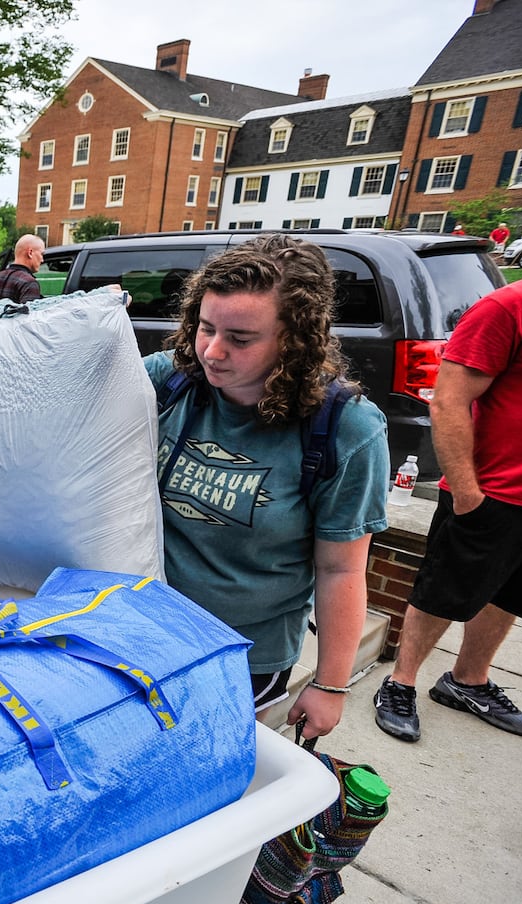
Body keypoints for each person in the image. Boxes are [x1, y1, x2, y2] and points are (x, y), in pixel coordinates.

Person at [144, 234, 390, 737]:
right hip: (145, 625)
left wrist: (330, 684)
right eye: (205, 328)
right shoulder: (172, 380)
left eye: (240, 338)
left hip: (243, 653)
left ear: (293, 339)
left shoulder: (347, 431)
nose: (212, 351)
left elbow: (341, 568)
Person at [374, 281, 522, 741]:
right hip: (492, 492)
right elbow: (448, 401)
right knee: (442, 591)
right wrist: (467, 494)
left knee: (508, 593)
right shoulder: (507, 308)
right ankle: (400, 682)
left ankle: (467, 681)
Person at [0, 233, 46, 304]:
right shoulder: (29, 284)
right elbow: (29, 314)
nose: (42, 260)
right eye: (42, 254)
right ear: (30, 253)